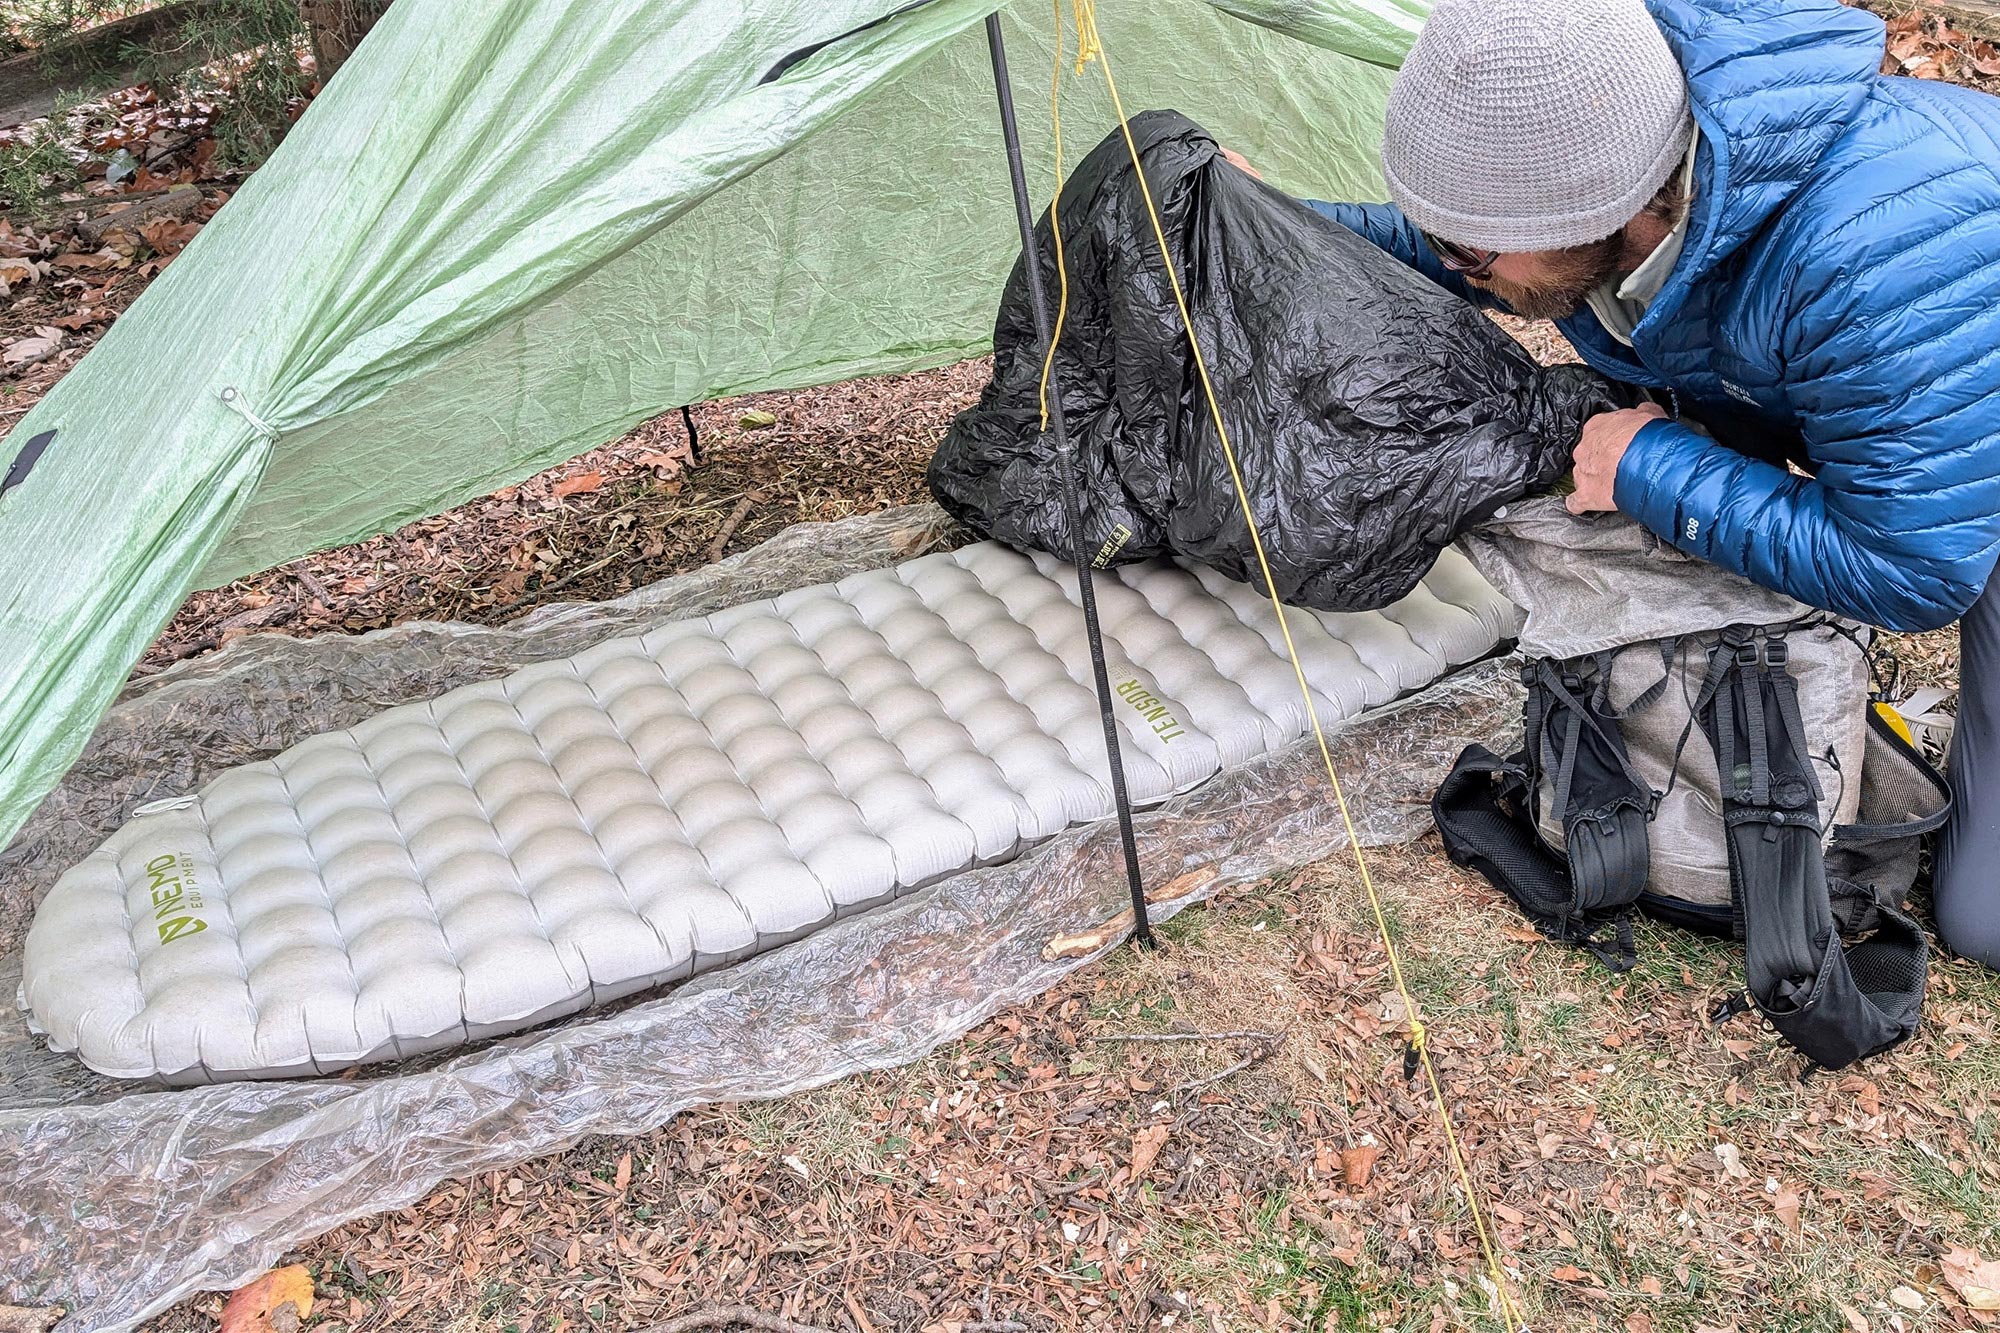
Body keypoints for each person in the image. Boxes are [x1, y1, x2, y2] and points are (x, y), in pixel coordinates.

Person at [1267, 0, 2000, 963]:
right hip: (1943, 431)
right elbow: (1457, 253)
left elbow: (1911, 571)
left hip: (1955, 449)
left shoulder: (1874, 263)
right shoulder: (1624, 149)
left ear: (1597, 214)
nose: (1454, 267)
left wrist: (1649, 465)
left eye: (1471, 251)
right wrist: (1274, 221)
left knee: (1985, 923)